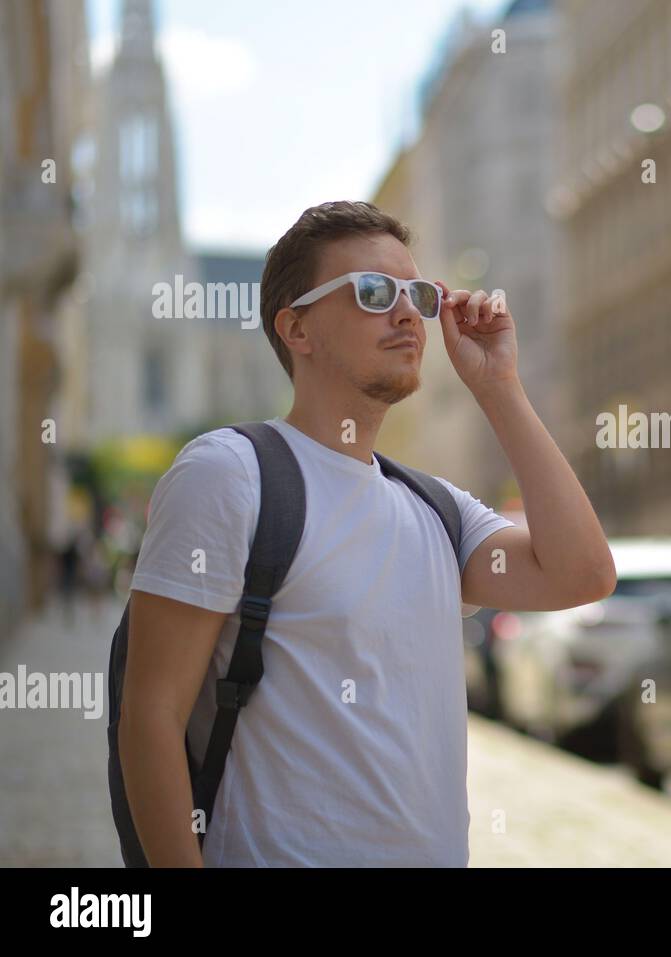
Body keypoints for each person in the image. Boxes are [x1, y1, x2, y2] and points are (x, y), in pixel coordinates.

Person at [119, 200, 616, 866]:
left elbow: (583, 572)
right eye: (374, 293)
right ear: (297, 329)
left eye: (415, 294)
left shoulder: (435, 508)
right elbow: (150, 716)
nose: (408, 313)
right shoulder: (230, 474)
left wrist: (499, 386)